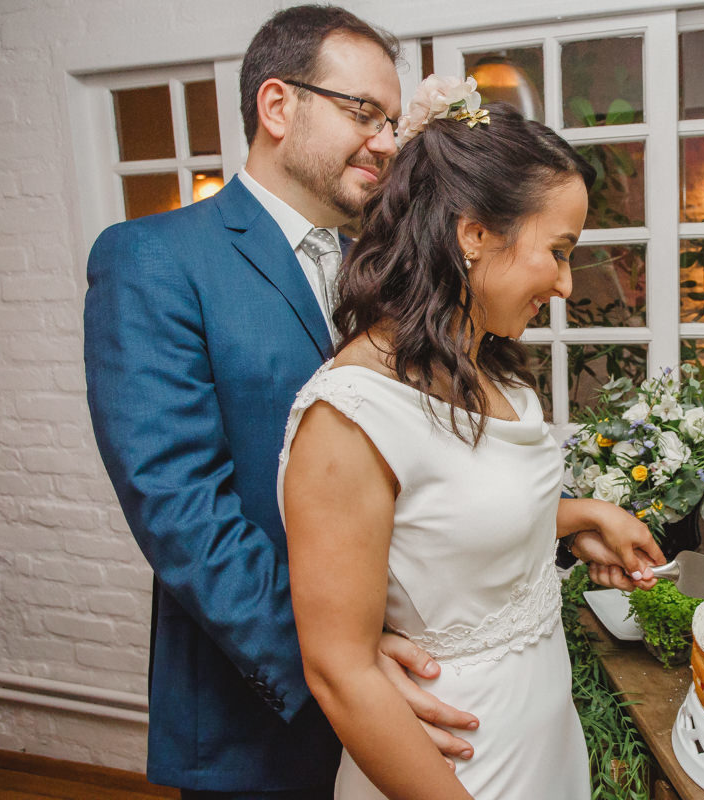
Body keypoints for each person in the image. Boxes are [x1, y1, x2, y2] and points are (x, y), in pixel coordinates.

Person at [84, 7, 477, 797]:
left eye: (392, 121)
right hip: (260, 706)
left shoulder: (377, 266)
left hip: (410, 679)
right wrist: (342, 662)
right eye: (362, 112)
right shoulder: (154, 259)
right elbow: (181, 508)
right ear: (276, 107)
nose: (385, 141)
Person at [278, 83, 666, 799]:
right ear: (474, 234)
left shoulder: (493, 371)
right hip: (452, 763)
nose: (566, 283)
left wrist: (583, 518)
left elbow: (447, 534)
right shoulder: (349, 416)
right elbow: (339, 671)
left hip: (541, 733)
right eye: (557, 250)